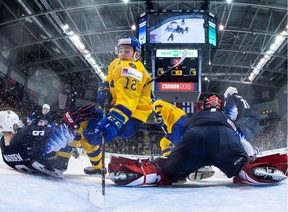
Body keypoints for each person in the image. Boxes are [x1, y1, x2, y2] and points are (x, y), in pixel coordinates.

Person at [107, 94, 287, 186]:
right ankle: (250, 170)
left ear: (204, 105)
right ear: (220, 106)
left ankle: (145, 173)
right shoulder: (227, 119)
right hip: (225, 138)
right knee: (242, 165)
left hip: (194, 139)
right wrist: (249, 156)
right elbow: (248, 125)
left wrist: (171, 156)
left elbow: (176, 133)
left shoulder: (194, 117)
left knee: (164, 171)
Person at [67, 36, 153, 174]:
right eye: (120, 50)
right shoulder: (116, 63)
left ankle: (59, 162)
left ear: (135, 54)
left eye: (127, 51)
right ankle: (98, 168)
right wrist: (105, 87)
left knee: (83, 121)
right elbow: (109, 79)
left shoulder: (132, 69)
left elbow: (128, 100)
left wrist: (113, 121)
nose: (122, 54)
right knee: (86, 129)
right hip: (120, 111)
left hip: (130, 117)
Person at [0, 110, 74, 178]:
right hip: (55, 162)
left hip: (33, 162)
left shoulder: (4, 150)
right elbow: (57, 133)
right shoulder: (26, 132)